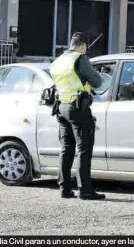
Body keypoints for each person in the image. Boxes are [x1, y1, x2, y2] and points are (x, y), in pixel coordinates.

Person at [50, 32, 105, 200]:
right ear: (82, 45)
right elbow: (98, 82)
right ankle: (85, 190)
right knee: (84, 150)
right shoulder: (80, 58)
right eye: (86, 48)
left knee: (66, 149)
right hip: (78, 109)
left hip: (62, 108)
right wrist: (94, 75)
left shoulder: (58, 61)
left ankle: (64, 188)